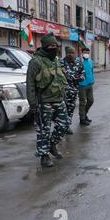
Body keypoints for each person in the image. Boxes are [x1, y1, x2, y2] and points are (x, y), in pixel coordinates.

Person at [26, 33, 69, 167]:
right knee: (44, 130)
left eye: (56, 45)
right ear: (44, 47)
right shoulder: (36, 61)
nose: (54, 48)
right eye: (51, 45)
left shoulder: (56, 59)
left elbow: (60, 79)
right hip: (44, 102)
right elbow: (30, 84)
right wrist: (33, 104)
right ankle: (44, 156)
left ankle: (52, 145)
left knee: (64, 125)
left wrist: (64, 97)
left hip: (58, 99)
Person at [61, 46, 85, 135]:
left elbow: (82, 72)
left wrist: (81, 77)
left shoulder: (79, 62)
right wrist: (75, 77)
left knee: (71, 109)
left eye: (72, 53)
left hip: (74, 90)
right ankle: (62, 126)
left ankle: (67, 126)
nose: (70, 55)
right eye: (68, 53)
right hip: (64, 91)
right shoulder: (61, 62)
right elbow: (63, 75)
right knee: (63, 109)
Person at [78, 48, 95, 126]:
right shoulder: (78, 61)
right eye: (85, 52)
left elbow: (92, 71)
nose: (86, 53)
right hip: (81, 85)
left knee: (91, 100)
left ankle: (84, 114)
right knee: (82, 102)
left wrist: (93, 80)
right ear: (82, 53)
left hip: (89, 84)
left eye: (88, 52)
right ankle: (82, 119)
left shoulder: (90, 61)